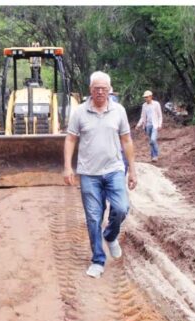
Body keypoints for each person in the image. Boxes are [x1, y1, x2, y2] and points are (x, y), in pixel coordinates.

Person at [63, 71, 137, 279]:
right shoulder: (79, 112)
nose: (101, 92)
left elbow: (127, 140)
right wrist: (68, 167)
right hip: (89, 173)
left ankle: (111, 235)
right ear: (90, 90)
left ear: (109, 90)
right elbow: (70, 139)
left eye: (104, 88)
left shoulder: (118, 111)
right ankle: (98, 259)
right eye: (97, 88)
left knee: (122, 207)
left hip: (114, 170)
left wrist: (132, 169)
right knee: (93, 218)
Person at [135, 90, 163, 162]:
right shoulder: (144, 105)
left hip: (155, 125)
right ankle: (153, 156)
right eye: (145, 97)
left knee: (153, 140)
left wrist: (160, 124)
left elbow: (160, 115)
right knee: (151, 141)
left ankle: (155, 155)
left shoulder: (156, 104)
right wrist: (138, 125)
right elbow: (142, 116)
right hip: (147, 125)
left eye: (147, 97)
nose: (145, 98)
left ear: (151, 97)